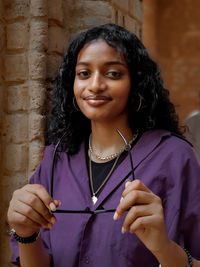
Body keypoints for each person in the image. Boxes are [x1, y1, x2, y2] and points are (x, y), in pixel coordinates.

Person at [7, 24, 200, 267]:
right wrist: (26, 234)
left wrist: (163, 247)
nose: (95, 85)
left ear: (136, 83)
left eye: (113, 74)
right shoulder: (55, 159)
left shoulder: (174, 157)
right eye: (84, 74)